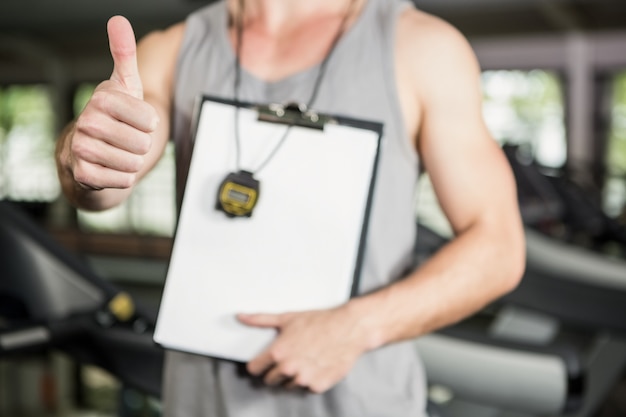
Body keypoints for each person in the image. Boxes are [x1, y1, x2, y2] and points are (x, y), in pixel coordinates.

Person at [55, 0, 526, 415]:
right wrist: (89, 155)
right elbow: (101, 190)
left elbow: (498, 245)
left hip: (362, 402)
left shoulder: (422, 48)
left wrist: (356, 327)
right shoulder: (173, 49)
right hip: (198, 402)